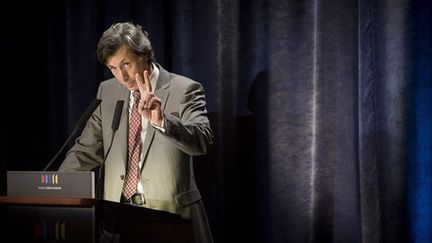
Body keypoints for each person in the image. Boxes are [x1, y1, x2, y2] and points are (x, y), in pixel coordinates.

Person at [59, 21, 214, 243]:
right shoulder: (108, 91)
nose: (121, 77)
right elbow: (86, 150)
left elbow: (202, 140)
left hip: (170, 219)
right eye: (113, 68)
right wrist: (56, 185)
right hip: (117, 221)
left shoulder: (184, 89)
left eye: (126, 64)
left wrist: (162, 121)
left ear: (145, 54)